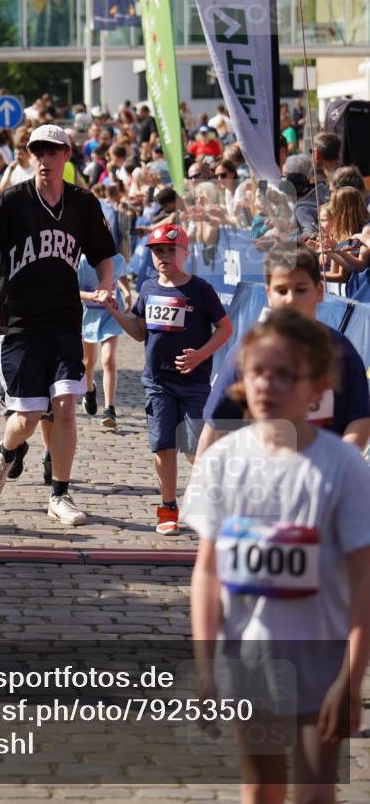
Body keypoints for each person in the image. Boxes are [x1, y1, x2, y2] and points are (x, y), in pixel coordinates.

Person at [182, 309, 370, 804]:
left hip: (322, 661)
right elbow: (207, 573)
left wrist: (352, 680)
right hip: (250, 661)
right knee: (262, 786)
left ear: (318, 388)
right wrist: (206, 665)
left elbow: (362, 578)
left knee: (313, 790)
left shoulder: (344, 468)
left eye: (284, 374)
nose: (267, 384)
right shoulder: (222, 462)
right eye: (257, 371)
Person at [0, 123, 117, 526]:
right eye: (38, 152)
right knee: (27, 420)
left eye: (53, 151)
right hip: (20, 323)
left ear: (67, 156)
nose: (45, 159)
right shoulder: (13, 200)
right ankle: (5, 450)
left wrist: (106, 284)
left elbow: (104, 256)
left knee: (66, 408)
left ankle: (60, 494)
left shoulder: (84, 204)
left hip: (66, 321)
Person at [105, 224, 232, 535]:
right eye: (158, 251)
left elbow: (225, 329)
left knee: (194, 451)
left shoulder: (200, 290)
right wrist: (115, 312)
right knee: (163, 448)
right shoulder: (148, 289)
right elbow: (138, 332)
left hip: (194, 384)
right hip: (158, 383)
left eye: (170, 250)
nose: (163, 256)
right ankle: (168, 509)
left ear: (184, 253)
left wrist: (201, 355)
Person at [197, 246, 370, 457]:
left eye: (300, 289)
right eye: (282, 290)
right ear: (268, 294)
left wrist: (341, 463)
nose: (290, 299)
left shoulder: (342, 352)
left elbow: (359, 417)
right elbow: (216, 425)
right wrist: (200, 483)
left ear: (319, 292)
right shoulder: (247, 351)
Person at [78, 251, 132, 428]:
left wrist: (126, 292)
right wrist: (93, 296)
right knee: (88, 362)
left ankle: (110, 408)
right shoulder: (82, 261)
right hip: (89, 317)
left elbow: (121, 274)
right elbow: (74, 290)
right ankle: (89, 390)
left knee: (108, 359)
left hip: (111, 314)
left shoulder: (116, 258)